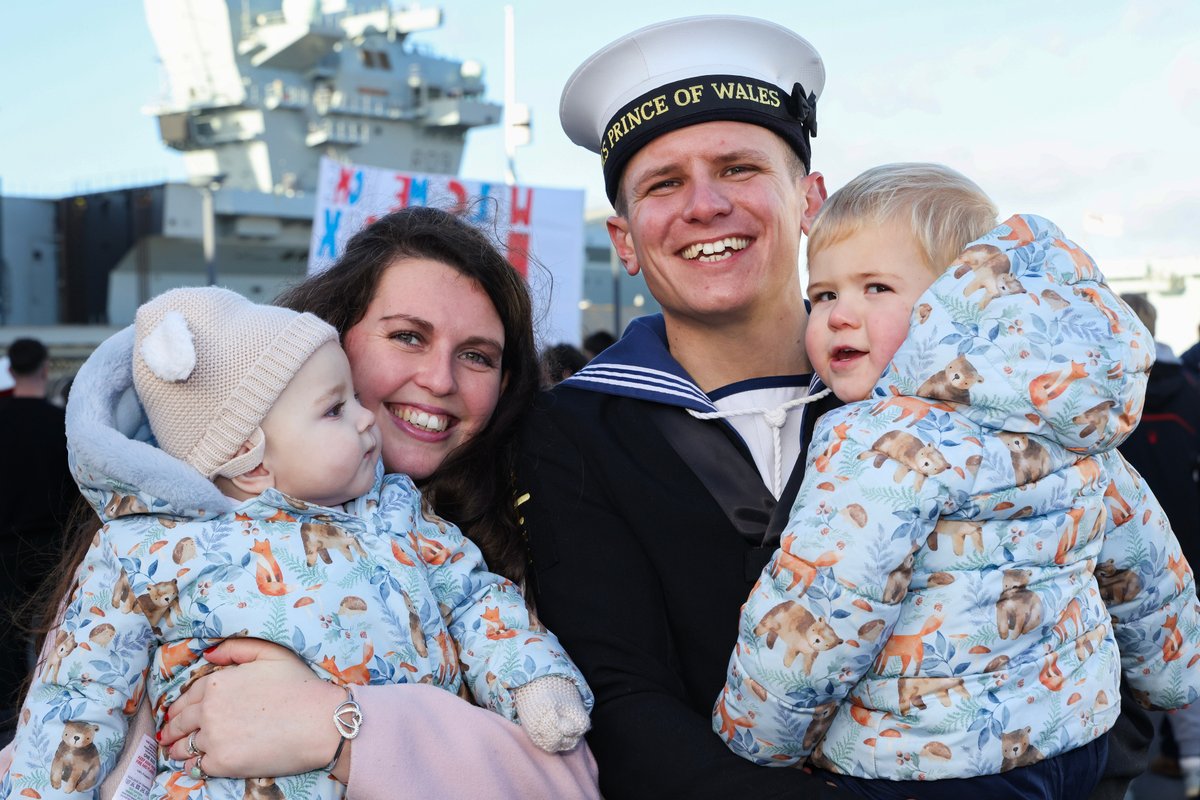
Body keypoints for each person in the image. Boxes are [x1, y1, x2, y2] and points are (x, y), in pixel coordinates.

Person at [0, 207, 600, 800]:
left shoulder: (531, 525)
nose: (440, 379)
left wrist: (334, 723)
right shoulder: (150, 547)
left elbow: (570, 778)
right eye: (407, 336)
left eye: (478, 355)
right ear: (340, 334)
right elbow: (67, 719)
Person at [714, 164, 1200, 798]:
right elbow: (1147, 567)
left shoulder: (879, 440)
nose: (838, 315)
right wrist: (1174, 676)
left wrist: (754, 743)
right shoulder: (1065, 425)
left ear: (962, 304)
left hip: (930, 766)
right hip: (1074, 744)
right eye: (825, 293)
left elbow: (825, 609)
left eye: (876, 288)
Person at [516, 16, 849, 799]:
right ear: (626, 242)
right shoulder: (576, 432)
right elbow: (623, 700)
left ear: (810, 200)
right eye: (664, 183)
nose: (703, 205)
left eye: (737, 168)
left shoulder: (925, 391)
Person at [1118, 293, 1200, 797]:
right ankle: (1191, 763)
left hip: (1124, 547)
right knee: (1178, 646)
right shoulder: (1191, 389)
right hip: (1188, 540)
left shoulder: (1101, 394)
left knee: (1121, 663)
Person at [0, 338, 75, 746]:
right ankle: (51, 710)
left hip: (2, 551)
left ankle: (9, 728)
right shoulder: (59, 425)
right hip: (52, 546)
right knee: (54, 634)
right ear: (45, 369)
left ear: (10, 370)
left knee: (5, 642)